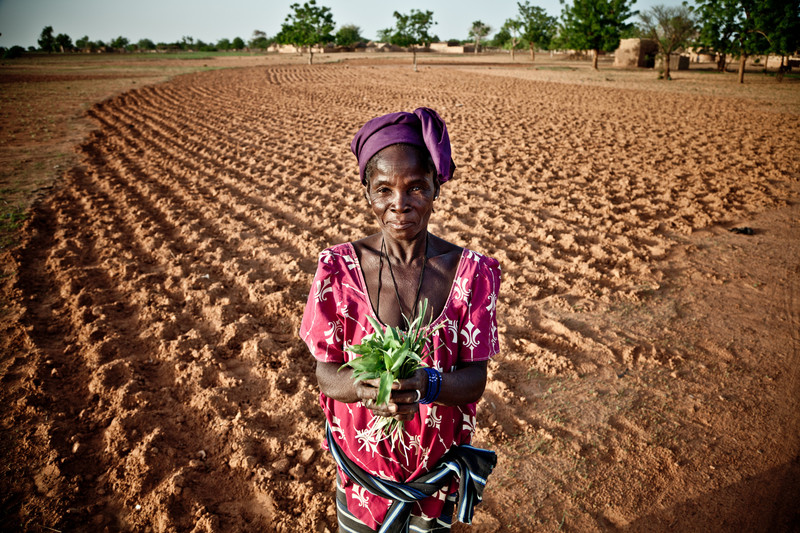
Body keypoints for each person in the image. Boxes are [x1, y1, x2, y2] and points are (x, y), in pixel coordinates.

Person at [300, 108, 501, 532]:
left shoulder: (470, 273)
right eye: (384, 189)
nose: (400, 204)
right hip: (361, 471)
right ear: (367, 194)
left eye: (416, 188)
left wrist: (429, 385)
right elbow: (325, 373)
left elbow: (474, 378)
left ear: (435, 190)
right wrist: (361, 386)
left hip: (435, 473)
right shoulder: (338, 269)